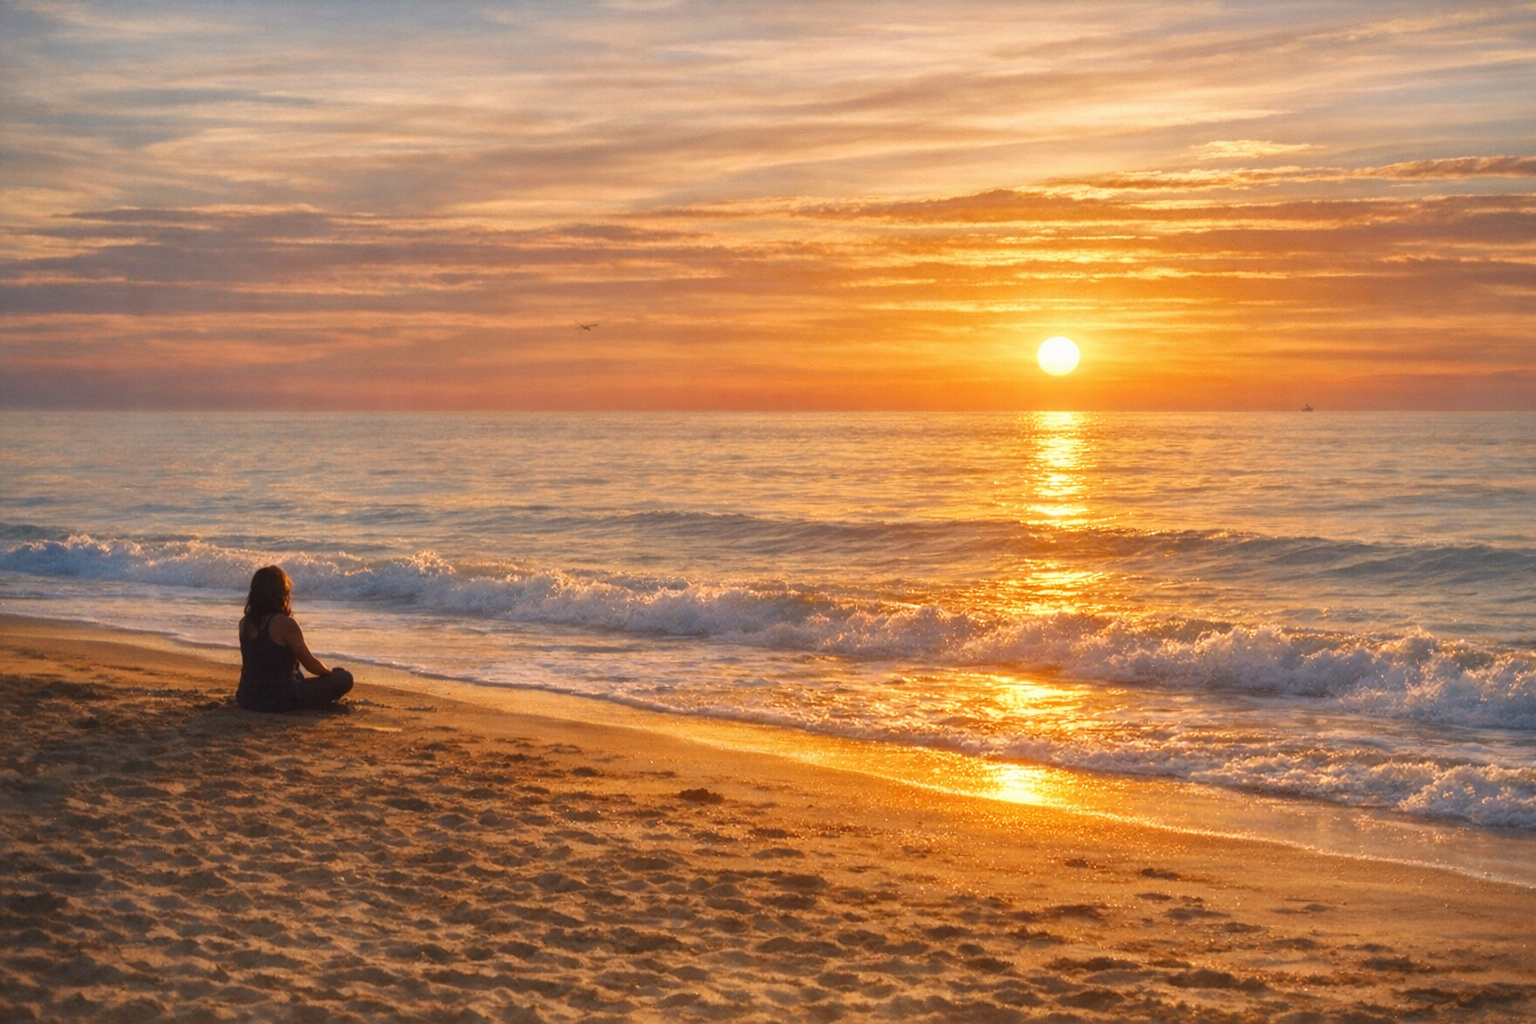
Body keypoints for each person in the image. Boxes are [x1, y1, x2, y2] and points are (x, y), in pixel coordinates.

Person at [237, 565, 354, 712]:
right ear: (281, 593)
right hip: (279, 699)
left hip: (247, 697)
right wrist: (330, 674)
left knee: (295, 671)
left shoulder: (244, 622)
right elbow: (310, 663)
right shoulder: (284, 623)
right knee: (345, 678)